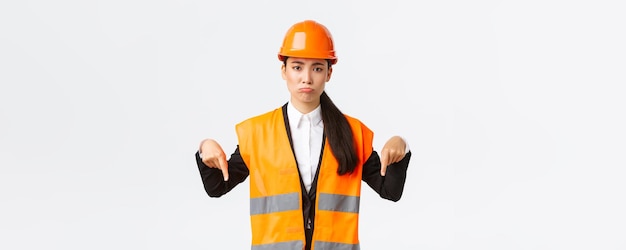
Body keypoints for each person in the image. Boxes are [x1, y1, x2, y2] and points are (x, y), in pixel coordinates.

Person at [195, 19, 412, 250]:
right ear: (284, 70)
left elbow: (390, 190)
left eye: (317, 68)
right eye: (297, 67)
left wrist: (402, 145)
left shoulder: (353, 133)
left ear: (329, 73)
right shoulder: (256, 134)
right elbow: (217, 187)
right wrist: (205, 147)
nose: (306, 78)